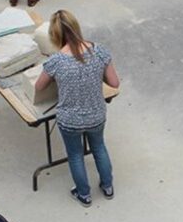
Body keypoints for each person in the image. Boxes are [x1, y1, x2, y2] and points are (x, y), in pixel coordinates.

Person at [34, 11, 120, 207]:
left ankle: (84, 194)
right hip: (96, 114)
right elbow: (114, 83)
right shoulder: (99, 52)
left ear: (55, 35)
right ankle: (107, 187)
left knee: (75, 155)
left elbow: (39, 87)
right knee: (99, 147)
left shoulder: (56, 61)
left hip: (70, 120)